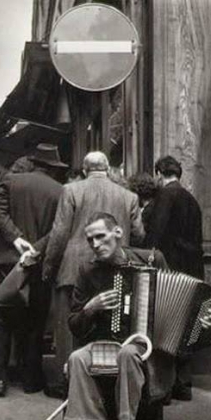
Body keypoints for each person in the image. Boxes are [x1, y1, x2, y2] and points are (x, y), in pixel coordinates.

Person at [65, 212, 211, 420]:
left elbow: (183, 308)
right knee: (78, 358)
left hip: (146, 347)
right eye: (90, 240)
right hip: (105, 343)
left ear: (118, 234)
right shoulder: (88, 271)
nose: (96, 244)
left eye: (101, 236)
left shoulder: (151, 259)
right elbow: (74, 324)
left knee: (127, 353)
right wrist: (90, 308)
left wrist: (201, 320)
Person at [42, 151, 145, 377]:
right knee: (113, 328)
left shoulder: (70, 190)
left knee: (69, 330)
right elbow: (139, 236)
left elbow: (59, 234)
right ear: (107, 169)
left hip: (72, 268)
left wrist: (49, 268)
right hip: (118, 269)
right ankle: (109, 380)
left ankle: (67, 383)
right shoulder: (129, 196)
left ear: (85, 170)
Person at [0, 143, 65, 397]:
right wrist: (36, 249)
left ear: (34, 161)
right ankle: (31, 378)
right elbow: (59, 230)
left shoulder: (10, 181)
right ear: (52, 167)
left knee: (2, 315)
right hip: (39, 262)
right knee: (35, 319)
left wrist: (16, 238)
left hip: (7, 258)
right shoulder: (60, 191)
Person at [144, 156, 204, 401]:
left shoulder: (164, 197)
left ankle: (165, 388)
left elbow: (156, 236)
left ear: (159, 173)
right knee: (187, 324)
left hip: (169, 268)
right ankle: (184, 383)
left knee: (165, 325)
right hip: (192, 268)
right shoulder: (192, 199)